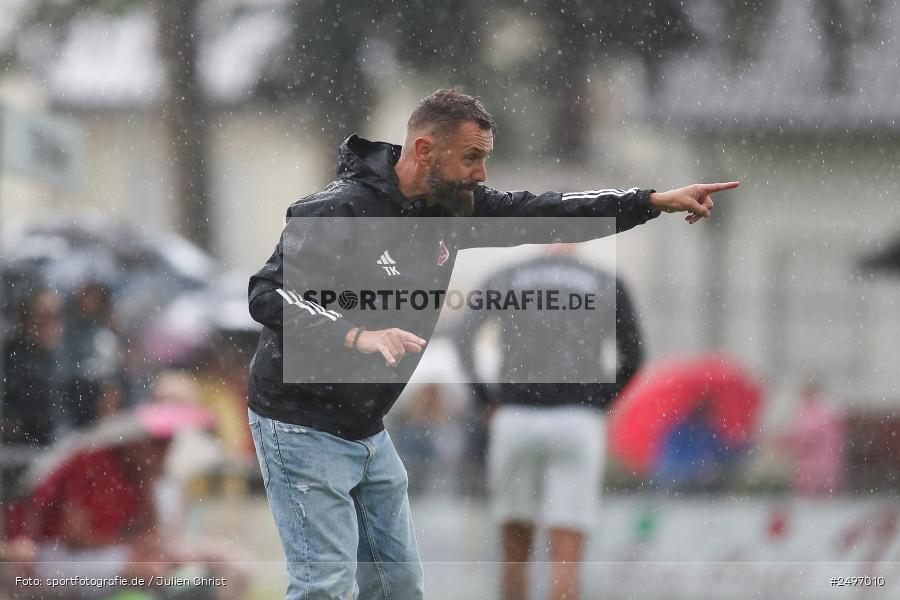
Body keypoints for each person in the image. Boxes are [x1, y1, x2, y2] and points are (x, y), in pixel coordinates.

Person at [247, 87, 740, 600]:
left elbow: (548, 210)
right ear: (423, 151)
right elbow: (267, 293)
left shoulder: (452, 212)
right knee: (324, 588)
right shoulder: (338, 209)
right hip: (300, 423)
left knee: (398, 588)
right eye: (471, 158)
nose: (481, 174)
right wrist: (356, 333)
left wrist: (650, 202)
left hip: (364, 430)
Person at [455, 244, 644, 600]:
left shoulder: (508, 276)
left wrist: (486, 397)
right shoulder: (604, 281)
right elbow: (634, 355)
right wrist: (599, 400)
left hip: (516, 414)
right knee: (566, 552)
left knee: (514, 550)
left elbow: (463, 338)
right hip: (577, 417)